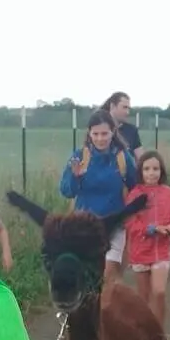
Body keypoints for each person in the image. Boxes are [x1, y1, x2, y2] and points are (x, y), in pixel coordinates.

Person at [60, 109, 139, 285]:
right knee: (86, 278)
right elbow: (66, 191)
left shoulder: (122, 157)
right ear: (89, 133)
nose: (100, 138)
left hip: (114, 226)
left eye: (105, 133)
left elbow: (136, 187)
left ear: (113, 132)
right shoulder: (79, 157)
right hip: (84, 227)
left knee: (108, 275)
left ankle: (105, 310)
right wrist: (76, 177)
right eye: (95, 134)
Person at [123, 150, 170, 326]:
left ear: (161, 171)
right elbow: (130, 222)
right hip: (140, 252)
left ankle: (158, 332)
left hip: (162, 251)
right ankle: (144, 330)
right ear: (141, 171)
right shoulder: (134, 195)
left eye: (155, 168)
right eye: (147, 169)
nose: (151, 173)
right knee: (143, 297)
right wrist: (150, 229)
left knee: (159, 292)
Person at [104, 91, 144, 158]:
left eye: (128, 108)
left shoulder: (132, 130)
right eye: (124, 107)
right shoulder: (99, 129)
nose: (127, 112)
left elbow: (142, 159)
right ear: (112, 106)